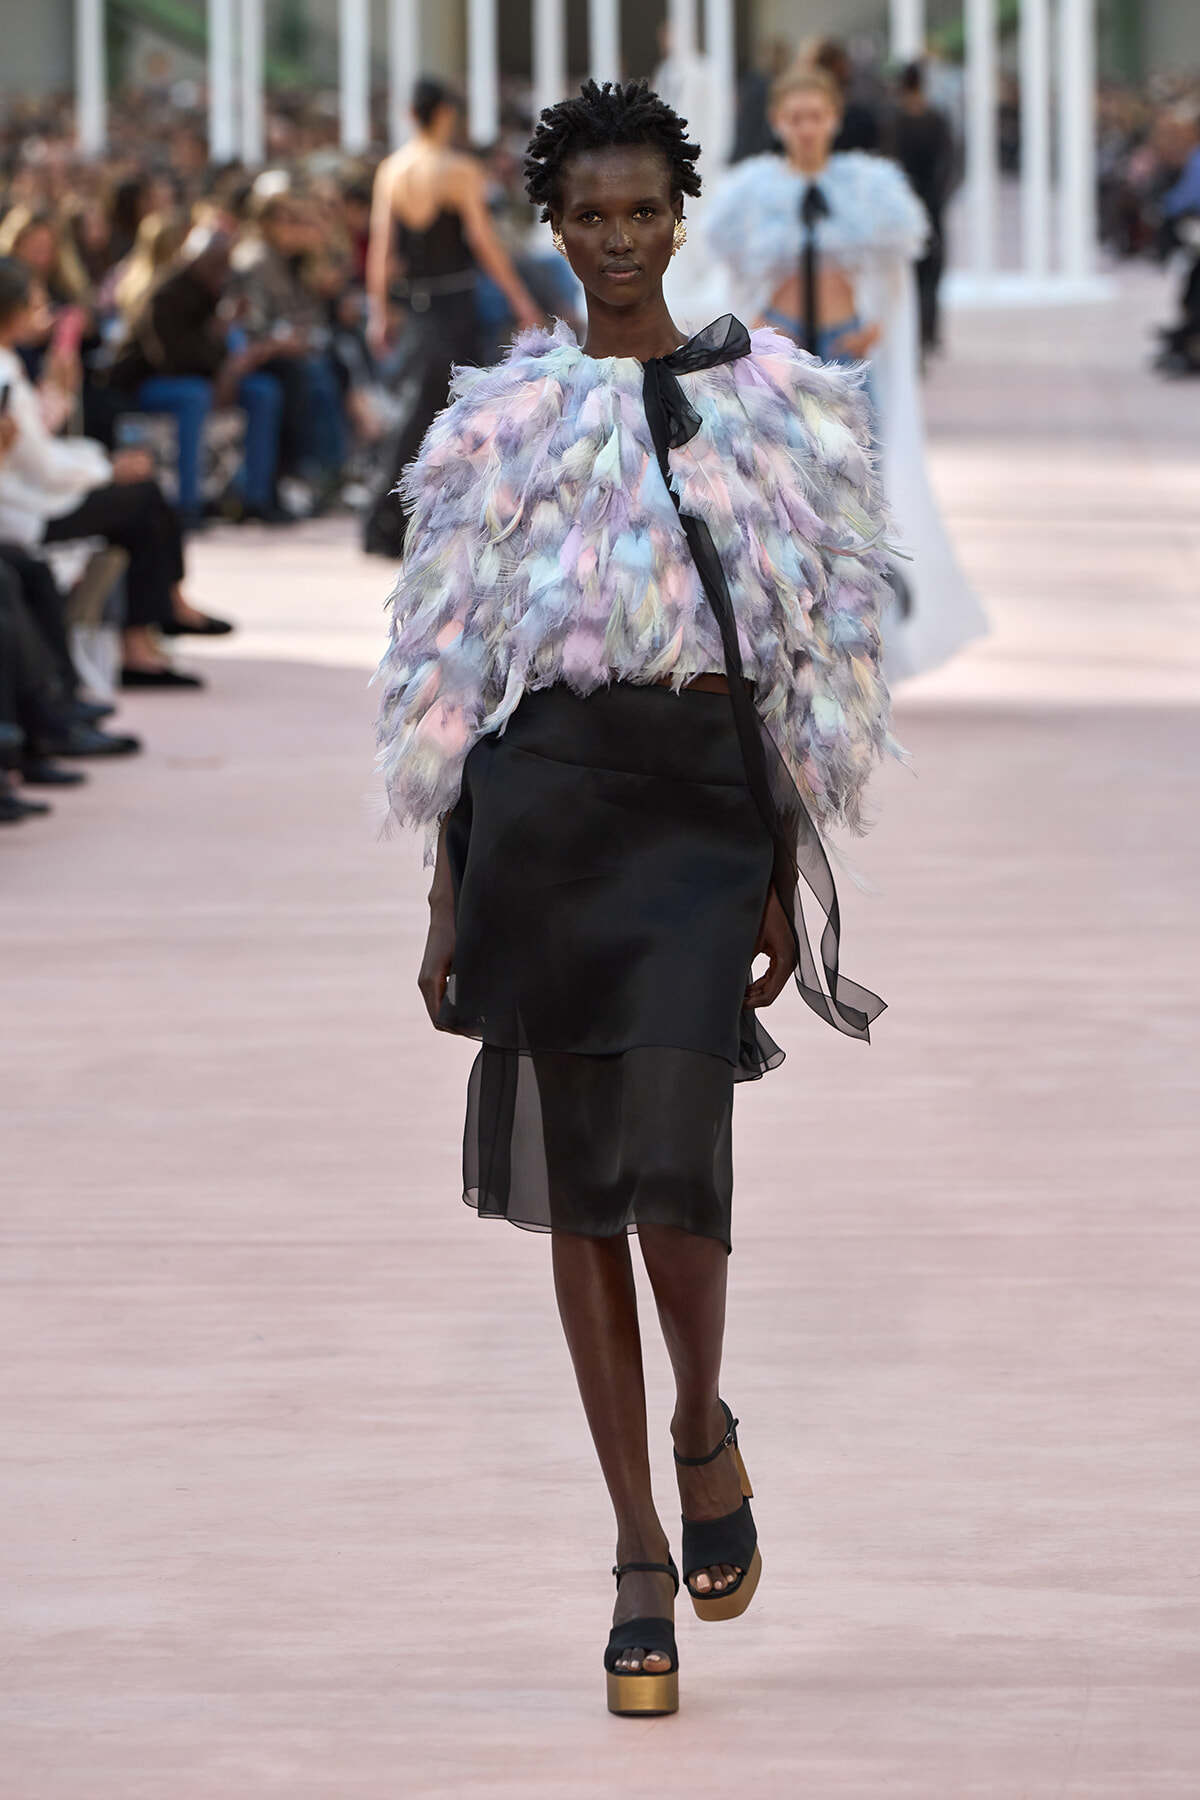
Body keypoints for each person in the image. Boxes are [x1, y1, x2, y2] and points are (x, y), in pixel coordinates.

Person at [375, 79, 894, 1718]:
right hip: (539, 813)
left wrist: (787, 861)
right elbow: (448, 664)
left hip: (695, 807)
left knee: (678, 1166)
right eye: (585, 215)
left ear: (681, 214)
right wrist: (448, 893)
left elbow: (813, 652)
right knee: (579, 1183)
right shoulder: (496, 425)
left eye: (638, 212)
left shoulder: (776, 403)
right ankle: (631, 1554)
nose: (612, 239)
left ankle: (702, 1421)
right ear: (554, 225)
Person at [705, 66, 987, 679]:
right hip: (779, 348)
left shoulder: (870, 190)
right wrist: (751, 327)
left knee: (857, 476)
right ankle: (786, 612)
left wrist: (878, 326)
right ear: (777, 122)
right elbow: (732, 277)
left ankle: (858, 615)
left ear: (833, 119)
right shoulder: (750, 193)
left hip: (845, 347)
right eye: (794, 117)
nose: (806, 128)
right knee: (779, 475)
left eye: (816, 116)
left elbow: (893, 275)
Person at [0, 257, 230, 688]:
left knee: (144, 497)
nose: (43, 309)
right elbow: (40, 463)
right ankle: (150, 631)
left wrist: (59, 387)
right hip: (26, 508)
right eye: (34, 301)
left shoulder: (9, 364)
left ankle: (152, 628)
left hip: (36, 492)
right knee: (142, 500)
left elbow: (37, 441)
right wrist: (107, 467)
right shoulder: (3, 373)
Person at [362, 77, 543, 557]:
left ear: (410, 114)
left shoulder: (392, 171)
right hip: (456, 303)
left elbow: (383, 249)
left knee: (418, 409)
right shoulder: (459, 169)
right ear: (444, 113)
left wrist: (378, 310)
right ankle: (416, 518)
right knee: (453, 409)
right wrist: (521, 299)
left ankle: (392, 519)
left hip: (417, 306)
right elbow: (483, 243)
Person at [107, 224, 286, 526]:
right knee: (195, 395)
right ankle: (189, 504)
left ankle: (257, 497)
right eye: (215, 263)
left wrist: (229, 356)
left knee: (263, 391)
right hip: (148, 383)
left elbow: (230, 352)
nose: (221, 271)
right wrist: (216, 343)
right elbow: (170, 360)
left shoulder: (220, 291)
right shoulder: (167, 293)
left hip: (206, 378)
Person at [888, 62, 955, 357]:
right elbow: (951, 164)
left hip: (908, 206)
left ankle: (917, 332)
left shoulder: (894, 122)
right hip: (931, 205)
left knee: (912, 273)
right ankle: (927, 332)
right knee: (931, 271)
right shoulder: (935, 120)